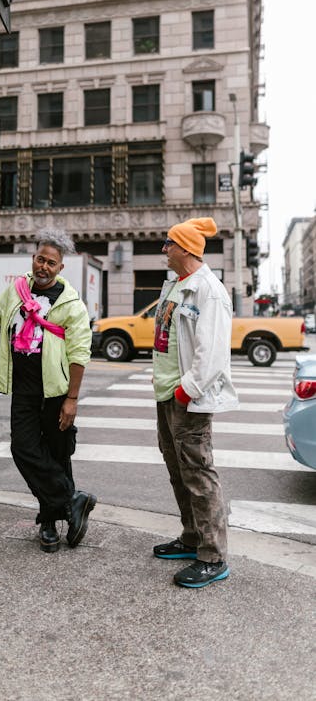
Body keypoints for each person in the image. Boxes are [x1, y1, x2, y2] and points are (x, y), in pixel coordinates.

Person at [0, 229, 96, 553]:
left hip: (56, 392)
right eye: (40, 259)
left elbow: (80, 354)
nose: (44, 266)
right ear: (33, 258)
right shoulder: (17, 291)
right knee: (23, 450)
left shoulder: (71, 304)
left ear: (61, 267)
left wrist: (71, 400)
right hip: (24, 390)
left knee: (57, 456)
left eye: (52, 262)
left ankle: (51, 521)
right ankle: (73, 501)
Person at [152, 217, 239, 588]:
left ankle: (213, 556)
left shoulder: (210, 291)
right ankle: (191, 538)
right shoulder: (176, 284)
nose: (164, 250)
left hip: (188, 398)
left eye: (169, 244)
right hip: (167, 394)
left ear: (185, 248)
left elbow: (213, 354)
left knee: (199, 475)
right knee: (179, 471)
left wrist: (187, 389)